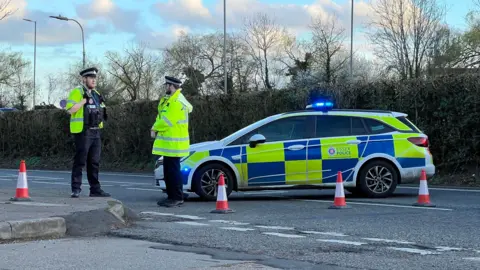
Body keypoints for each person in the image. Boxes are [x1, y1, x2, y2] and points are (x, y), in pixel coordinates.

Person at [65, 67, 111, 198]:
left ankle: (95, 189)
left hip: (95, 132)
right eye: (91, 78)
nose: (94, 80)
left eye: (95, 78)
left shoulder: (97, 94)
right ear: (84, 79)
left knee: (94, 162)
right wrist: (83, 100)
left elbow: (101, 111)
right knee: (80, 161)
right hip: (83, 132)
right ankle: (76, 189)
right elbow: (70, 110)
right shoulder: (76, 92)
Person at [151, 76, 193, 207]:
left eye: (167, 85)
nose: (165, 88)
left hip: (174, 143)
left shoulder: (177, 102)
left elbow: (167, 120)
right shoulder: (170, 100)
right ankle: (172, 195)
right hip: (170, 143)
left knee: (172, 171)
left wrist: (154, 128)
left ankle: (176, 197)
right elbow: (161, 116)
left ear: (171, 86)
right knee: (169, 170)